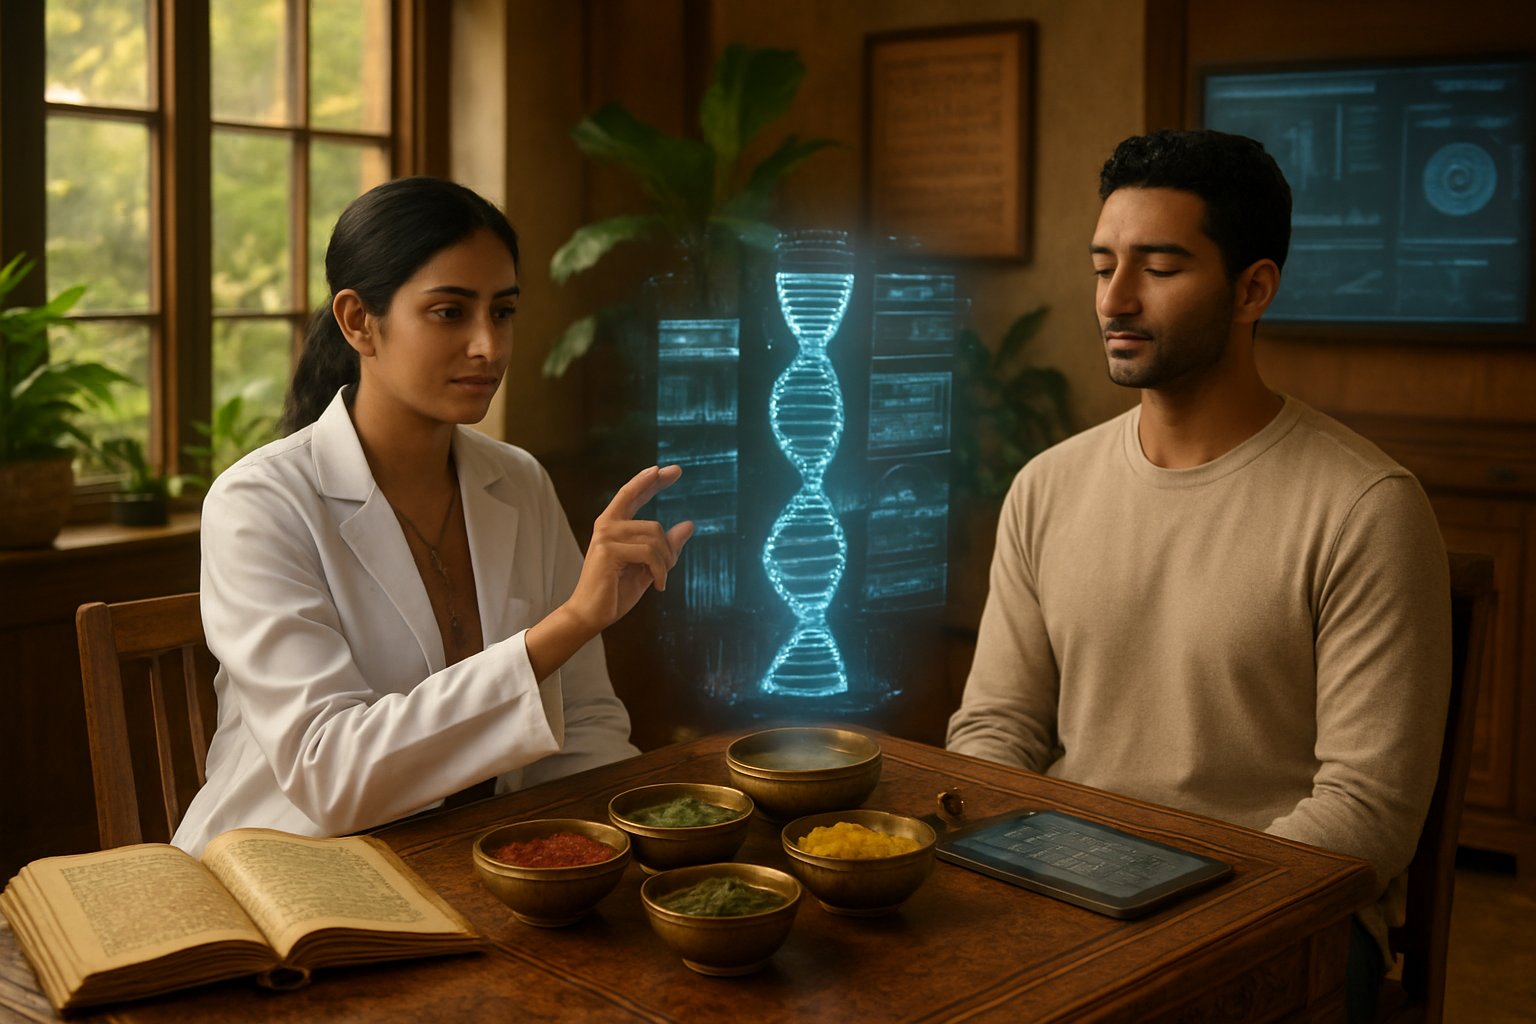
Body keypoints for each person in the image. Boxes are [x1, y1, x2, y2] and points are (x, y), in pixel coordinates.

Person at [945, 130, 1451, 1023]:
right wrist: (1029, 866)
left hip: (1281, 921)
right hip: (1062, 891)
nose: (1116, 299)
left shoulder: (1366, 505)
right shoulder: (1047, 486)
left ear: (1253, 288)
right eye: (1103, 267)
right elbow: (996, 728)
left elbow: (1366, 815)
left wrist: (1163, 911)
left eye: (1161, 267)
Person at [172, 177, 693, 856]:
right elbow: (334, 778)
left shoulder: (519, 481)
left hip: (473, 860)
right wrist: (568, 624)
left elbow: (587, 721)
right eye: (450, 312)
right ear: (359, 320)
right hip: (292, 878)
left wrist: (623, 854)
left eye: (503, 312)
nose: (489, 346)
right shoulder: (260, 503)